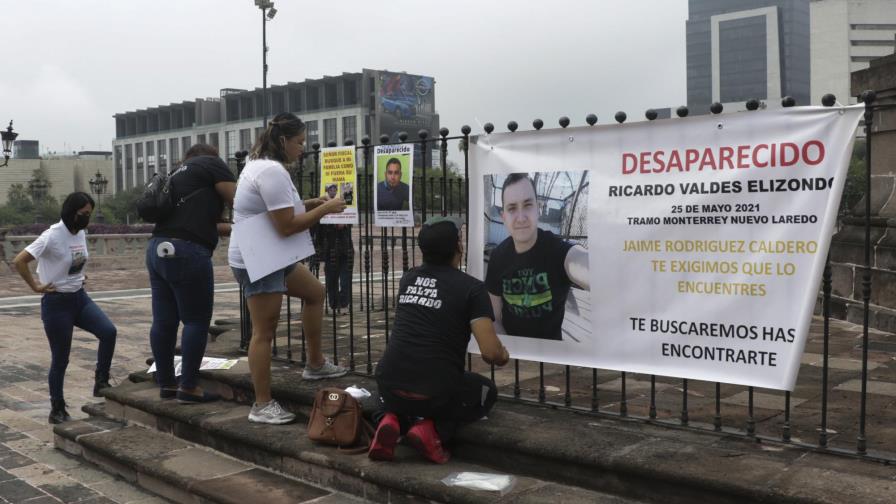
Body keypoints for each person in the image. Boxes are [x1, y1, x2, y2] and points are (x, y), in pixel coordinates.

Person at [229, 112, 348, 425]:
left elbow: (279, 210)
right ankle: (262, 404)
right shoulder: (271, 171)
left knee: (315, 292)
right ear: (283, 140)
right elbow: (287, 226)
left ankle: (315, 363)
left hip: (268, 253)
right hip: (259, 260)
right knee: (264, 332)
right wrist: (327, 208)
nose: (303, 148)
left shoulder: (259, 164)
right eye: (299, 142)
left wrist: (312, 202)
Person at [370, 216, 510, 464]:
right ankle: (433, 431)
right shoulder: (472, 288)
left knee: (397, 393)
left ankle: (389, 419)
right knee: (486, 392)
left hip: (389, 384)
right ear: (459, 247)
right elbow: (490, 352)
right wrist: (503, 355)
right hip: (435, 393)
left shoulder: (408, 279)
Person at [13, 192, 117, 424]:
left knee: (108, 332)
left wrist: (78, 275)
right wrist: (35, 286)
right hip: (56, 304)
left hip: (79, 298)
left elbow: (74, 260)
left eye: (89, 214)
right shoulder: (51, 236)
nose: (87, 218)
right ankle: (57, 409)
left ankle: (101, 382)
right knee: (61, 358)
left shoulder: (80, 233)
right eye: (84, 214)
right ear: (71, 212)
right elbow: (19, 260)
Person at [146, 144, 237, 404]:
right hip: (187, 251)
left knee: (163, 321)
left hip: (156, 249)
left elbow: (205, 224)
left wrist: (236, 227)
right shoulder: (211, 163)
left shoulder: (176, 175)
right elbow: (241, 202)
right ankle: (188, 387)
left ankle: (167, 384)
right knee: (196, 321)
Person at [485, 173, 590, 341]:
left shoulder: (557, 250)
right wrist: (511, 352)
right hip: (513, 351)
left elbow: (580, 263)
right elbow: (494, 318)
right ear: (503, 217)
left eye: (527, 205)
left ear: (538, 209)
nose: (521, 218)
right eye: (512, 208)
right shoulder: (498, 257)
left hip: (552, 353)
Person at [314, 223, 354, 315]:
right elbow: (318, 229)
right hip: (329, 247)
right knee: (331, 279)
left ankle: (343, 304)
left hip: (345, 247)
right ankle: (334, 304)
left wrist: (345, 224)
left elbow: (352, 220)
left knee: (345, 280)